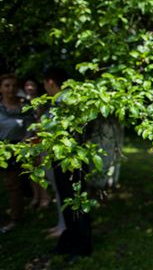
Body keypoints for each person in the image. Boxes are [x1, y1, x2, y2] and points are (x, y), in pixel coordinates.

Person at [43, 68, 92, 256]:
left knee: (76, 204)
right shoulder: (60, 101)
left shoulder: (65, 101)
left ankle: (82, 246)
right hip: (63, 159)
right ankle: (71, 241)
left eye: (45, 84)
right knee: (67, 201)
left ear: (50, 82)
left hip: (71, 160)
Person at [0, 73, 33, 233]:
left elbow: (31, 128)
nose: (10, 89)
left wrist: (24, 143)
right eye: (7, 85)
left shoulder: (24, 107)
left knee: (14, 185)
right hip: (1, 147)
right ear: (1, 88)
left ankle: (15, 217)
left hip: (17, 148)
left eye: (13, 85)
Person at [23, 77, 52, 210]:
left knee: (41, 168)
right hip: (25, 139)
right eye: (27, 85)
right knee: (31, 169)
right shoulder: (22, 101)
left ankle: (45, 196)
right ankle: (36, 196)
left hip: (39, 138)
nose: (29, 87)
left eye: (32, 85)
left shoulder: (43, 101)